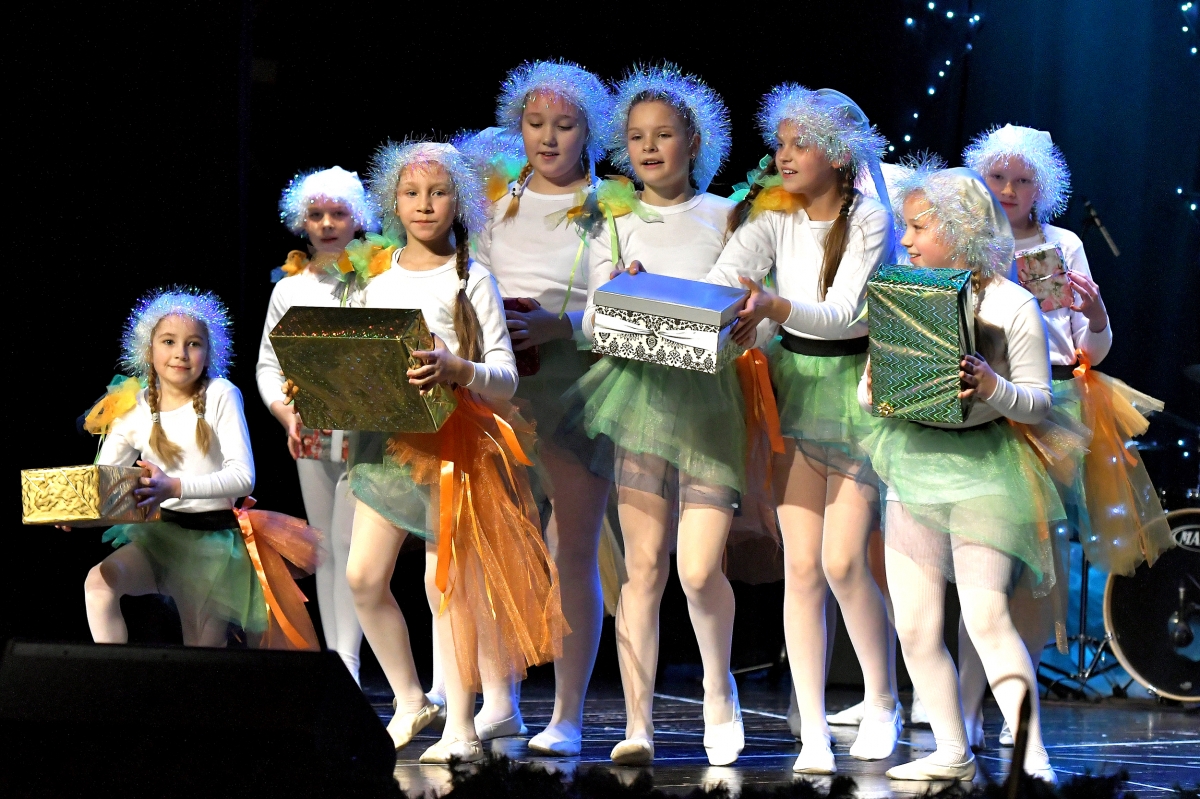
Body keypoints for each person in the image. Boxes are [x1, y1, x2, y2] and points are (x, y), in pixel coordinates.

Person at [343, 139, 565, 764]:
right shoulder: (376, 281)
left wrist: (457, 368)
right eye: (412, 193)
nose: (424, 204)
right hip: (389, 446)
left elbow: (506, 375)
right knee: (363, 577)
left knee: (445, 586)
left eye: (438, 193)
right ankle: (411, 699)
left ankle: (462, 726)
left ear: (458, 203)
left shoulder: (471, 278)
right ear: (393, 202)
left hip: (454, 445)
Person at [955, 124, 1173, 747]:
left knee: (1036, 568)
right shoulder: (967, 242)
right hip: (979, 398)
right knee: (983, 565)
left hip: (1051, 407)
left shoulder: (1063, 244)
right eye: (998, 177)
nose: (1008, 189)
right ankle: (964, 705)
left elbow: (1089, 349)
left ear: (1042, 188)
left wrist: (1095, 314)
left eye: (1023, 180)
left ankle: (1017, 709)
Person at [557, 64, 744, 767]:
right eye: (636, 137)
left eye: (664, 134)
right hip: (637, 400)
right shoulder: (610, 217)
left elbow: (747, 309)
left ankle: (718, 688)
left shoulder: (726, 215)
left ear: (693, 141)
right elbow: (588, 319)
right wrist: (616, 295)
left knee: (697, 570)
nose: (649, 147)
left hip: (709, 402)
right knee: (642, 566)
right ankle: (639, 724)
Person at [710, 85, 900, 773]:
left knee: (844, 561)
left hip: (855, 393)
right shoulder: (775, 215)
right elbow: (721, 281)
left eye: (802, 144)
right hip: (793, 392)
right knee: (801, 565)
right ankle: (813, 727)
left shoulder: (870, 219)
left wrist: (775, 305)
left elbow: (844, 313)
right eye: (781, 143)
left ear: (840, 154)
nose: (784, 155)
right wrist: (664, 289)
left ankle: (882, 699)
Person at [858, 162, 1061, 783]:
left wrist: (994, 387)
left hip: (984, 473)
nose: (907, 240)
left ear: (962, 228)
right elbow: (870, 395)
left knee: (986, 616)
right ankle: (952, 750)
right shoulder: (904, 296)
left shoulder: (1011, 303)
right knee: (915, 625)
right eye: (906, 227)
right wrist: (877, 385)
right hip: (915, 466)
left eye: (919, 227)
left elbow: (1040, 402)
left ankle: (1031, 755)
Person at [467, 61, 614, 755]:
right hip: (501, 383)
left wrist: (563, 325)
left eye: (564, 125)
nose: (548, 138)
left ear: (590, 132)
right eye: (535, 124)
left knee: (571, 549)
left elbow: (620, 305)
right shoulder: (496, 201)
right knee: (497, 540)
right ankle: (500, 699)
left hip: (576, 385)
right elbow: (468, 278)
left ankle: (568, 714)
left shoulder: (609, 207)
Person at [83, 288, 320, 651]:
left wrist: (174, 486)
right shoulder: (133, 407)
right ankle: (114, 678)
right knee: (99, 584)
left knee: (200, 648)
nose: (180, 352)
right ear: (149, 349)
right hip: (160, 538)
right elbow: (103, 480)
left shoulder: (221, 394)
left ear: (208, 353)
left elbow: (243, 477)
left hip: (213, 545)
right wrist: (77, 508)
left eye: (193, 343)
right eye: (168, 341)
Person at [258, 166, 382, 681]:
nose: (327, 224)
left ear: (358, 219)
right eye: (316, 214)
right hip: (309, 431)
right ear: (301, 221)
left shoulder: (375, 280)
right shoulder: (289, 290)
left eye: (338, 213)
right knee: (326, 547)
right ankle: (338, 658)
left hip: (366, 431)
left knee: (353, 548)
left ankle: (348, 659)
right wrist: (285, 413)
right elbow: (269, 364)